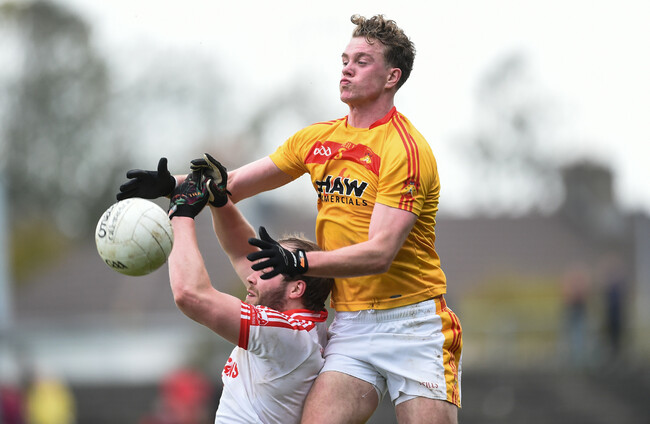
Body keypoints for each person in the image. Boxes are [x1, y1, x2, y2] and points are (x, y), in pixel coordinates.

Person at [117, 14, 462, 424]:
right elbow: (228, 186)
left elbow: (380, 254)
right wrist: (173, 185)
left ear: (392, 77)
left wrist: (298, 261)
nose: (347, 69)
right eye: (345, 60)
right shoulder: (317, 139)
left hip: (414, 323)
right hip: (350, 322)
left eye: (362, 61)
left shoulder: (405, 150)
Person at [164, 170, 334, 423]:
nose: (252, 277)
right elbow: (243, 253)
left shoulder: (287, 334)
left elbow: (191, 295)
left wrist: (180, 215)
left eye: (266, 271)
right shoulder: (305, 325)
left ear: (296, 289)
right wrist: (220, 201)